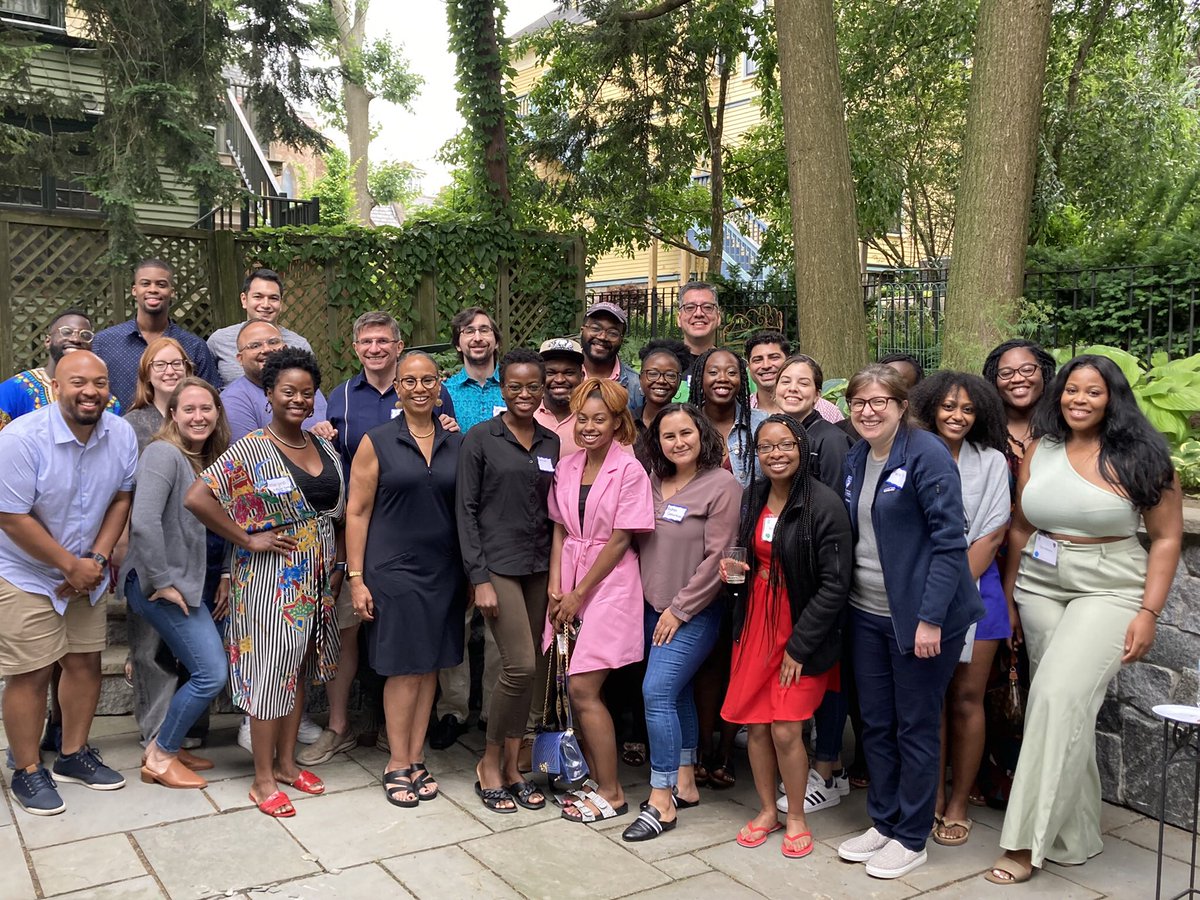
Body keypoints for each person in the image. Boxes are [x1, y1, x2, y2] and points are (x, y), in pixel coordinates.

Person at [987, 355, 1182, 885]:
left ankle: (1026, 842)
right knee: (1064, 712)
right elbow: (1022, 527)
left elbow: (1166, 538)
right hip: (1039, 584)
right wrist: (1009, 596)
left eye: (1092, 392)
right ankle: (1076, 835)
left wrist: (1149, 611)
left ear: (1112, 398)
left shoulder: (1143, 458)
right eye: (1071, 390)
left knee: (1053, 699)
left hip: (1111, 586)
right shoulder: (1040, 449)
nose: (1078, 399)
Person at [836, 364, 984, 880]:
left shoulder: (927, 455)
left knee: (914, 726)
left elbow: (950, 543)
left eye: (880, 401)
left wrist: (929, 620)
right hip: (866, 612)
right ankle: (884, 820)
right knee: (875, 723)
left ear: (902, 407)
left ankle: (912, 835)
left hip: (922, 620)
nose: (868, 410)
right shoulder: (857, 456)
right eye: (859, 402)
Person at [185, 348, 345, 819]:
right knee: (268, 678)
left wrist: (335, 570)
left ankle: (287, 764)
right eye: (288, 391)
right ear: (269, 394)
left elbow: (334, 513)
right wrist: (246, 539)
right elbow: (198, 497)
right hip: (268, 583)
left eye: (306, 392)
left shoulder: (323, 446)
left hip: (314, 580)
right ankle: (261, 779)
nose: (298, 399)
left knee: (294, 676)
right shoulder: (252, 447)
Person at [303, 312, 456, 766]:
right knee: (350, 632)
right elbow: (334, 472)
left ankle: (401, 738)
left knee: (417, 654)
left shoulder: (433, 395)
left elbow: (442, 457)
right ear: (355, 348)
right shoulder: (341, 397)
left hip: (426, 542)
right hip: (363, 533)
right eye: (366, 341)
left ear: (398, 345)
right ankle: (340, 726)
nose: (375, 348)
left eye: (383, 341)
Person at [0, 351, 137, 815]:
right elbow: (10, 516)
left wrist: (95, 559)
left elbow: (122, 497)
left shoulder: (120, 434)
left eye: (100, 382)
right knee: (31, 670)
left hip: (87, 567)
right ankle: (27, 770)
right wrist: (66, 565)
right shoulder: (21, 439)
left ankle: (74, 754)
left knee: (84, 664)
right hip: (26, 571)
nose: (90, 391)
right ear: (56, 387)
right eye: (78, 382)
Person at [719, 415, 852, 858]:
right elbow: (749, 556)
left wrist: (800, 645)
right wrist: (733, 573)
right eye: (766, 447)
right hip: (756, 618)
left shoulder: (824, 504)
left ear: (802, 449)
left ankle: (795, 815)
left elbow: (835, 584)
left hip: (799, 627)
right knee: (756, 726)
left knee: (786, 729)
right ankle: (765, 810)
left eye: (785, 445)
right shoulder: (755, 495)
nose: (776, 454)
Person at [345, 351, 466, 807]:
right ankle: (396, 761)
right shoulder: (376, 442)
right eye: (409, 381)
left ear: (440, 388)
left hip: (445, 570)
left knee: (431, 663)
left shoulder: (458, 442)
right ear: (397, 388)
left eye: (428, 380)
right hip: (393, 570)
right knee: (403, 668)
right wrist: (356, 577)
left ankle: (416, 757)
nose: (419, 388)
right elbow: (356, 512)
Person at [621, 405, 740, 841]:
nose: (678, 442)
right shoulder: (652, 481)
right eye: (668, 436)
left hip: (694, 610)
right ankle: (685, 781)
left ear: (701, 433)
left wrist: (680, 609)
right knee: (679, 691)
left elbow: (720, 557)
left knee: (655, 692)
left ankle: (661, 797)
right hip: (651, 606)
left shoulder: (722, 485)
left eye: (686, 433)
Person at [908, 371, 1011, 847]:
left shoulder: (992, 463)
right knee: (931, 700)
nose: (958, 416)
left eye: (968, 409)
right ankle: (928, 797)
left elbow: (991, 534)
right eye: (949, 406)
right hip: (918, 590)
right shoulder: (911, 454)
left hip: (975, 592)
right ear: (931, 407)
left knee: (967, 699)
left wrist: (946, 591)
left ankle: (957, 801)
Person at [457, 348, 559, 814]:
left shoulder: (550, 442)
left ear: (542, 390)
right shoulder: (481, 438)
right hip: (496, 566)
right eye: (514, 386)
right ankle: (489, 762)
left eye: (531, 386)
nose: (523, 393)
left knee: (534, 667)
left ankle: (516, 767)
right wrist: (478, 578)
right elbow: (467, 511)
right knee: (518, 665)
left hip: (538, 566)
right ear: (503, 389)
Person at [549, 378, 654, 823]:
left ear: (618, 423)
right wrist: (557, 590)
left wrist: (578, 594)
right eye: (583, 419)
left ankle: (613, 793)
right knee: (572, 687)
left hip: (609, 583)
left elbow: (618, 541)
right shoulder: (568, 466)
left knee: (583, 687)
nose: (589, 427)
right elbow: (558, 529)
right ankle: (593, 777)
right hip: (570, 576)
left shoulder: (629, 470)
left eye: (600, 420)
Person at [119, 378, 231, 789]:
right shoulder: (163, 454)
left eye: (207, 408)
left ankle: (172, 743)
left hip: (191, 582)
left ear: (217, 413)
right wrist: (162, 583)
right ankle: (161, 757)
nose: (199, 417)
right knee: (211, 672)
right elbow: (144, 522)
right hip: (158, 584)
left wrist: (223, 575)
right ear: (173, 414)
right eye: (189, 409)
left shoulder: (205, 459)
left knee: (193, 666)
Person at [773, 354, 859, 815]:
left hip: (819, 570)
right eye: (786, 380)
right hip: (786, 572)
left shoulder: (828, 438)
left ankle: (827, 768)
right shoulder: (779, 432)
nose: (792, 387)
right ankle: (816, 763)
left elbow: (830, 512)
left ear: (818, 391)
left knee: (826, 669)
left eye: (803, 382)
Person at [91, 259, 220, 408]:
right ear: (134, 290)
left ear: (172, 292)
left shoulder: (194, 346)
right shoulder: (104, 343)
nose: (153, 289)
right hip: (118, 429)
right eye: (145, 284)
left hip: (177, 430)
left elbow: (209, 400)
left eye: (161, 284)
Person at [0, 309, 119, 429]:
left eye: (85, 335)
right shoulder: (14, 389)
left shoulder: (106, 401)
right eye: (66, 332)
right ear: (47, 341)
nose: (76, 339)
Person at [221, 320, 329, 441]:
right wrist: (311, 439)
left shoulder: (305, 383)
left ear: (285, 348)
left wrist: (327, 432)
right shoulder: (234, 400)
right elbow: (247, 455)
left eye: (273, 342)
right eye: (255, 345)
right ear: (240, 359)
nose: (267, 349)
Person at [207, 269, 314, 385]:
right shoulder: (219, 341)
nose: (265, 305)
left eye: (273, 298)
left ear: (281, 304)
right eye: (258, 297)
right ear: (244, 299)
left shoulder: (300, 345)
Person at [688, 348, 766, 488]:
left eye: (731, 373)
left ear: (741, 379)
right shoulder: (685, 424)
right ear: (700, 378)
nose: (723, 378)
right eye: (713, 372)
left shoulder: (762, 423)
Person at [982, 339, 1058, 478]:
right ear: (994, 380)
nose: (1017, 379)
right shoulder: (981, 430)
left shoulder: (1062, 426)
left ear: (1044, 373)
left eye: (1027, 370)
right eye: (1006, 373)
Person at [747, 331, 845, 423]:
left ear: (789, 361)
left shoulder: (827, 411)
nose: (766, 365)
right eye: (757, 360)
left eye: (774, 357)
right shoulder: (742, 411)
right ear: (749, 366)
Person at [123, 338, 193, 452]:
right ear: (147, 374)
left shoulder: (202, 416)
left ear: (186, 370)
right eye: (160, 365)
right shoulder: (132, 424)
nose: (170, 371)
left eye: (176, 363)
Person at [443, 307, 504, 433]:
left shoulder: (514, 387)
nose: (477, 338)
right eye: (469, 331)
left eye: (484, 330)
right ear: (457, 345)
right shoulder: (445, 392)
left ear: (497, 341)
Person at [580, 301, 643, 409]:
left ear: (621, 339)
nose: (602, 337)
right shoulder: (564, 377)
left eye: (612, 333)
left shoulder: (636, 386)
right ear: (582, 330)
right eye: (596, 329)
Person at [534, 338, 586, 455]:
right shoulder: (526, 416)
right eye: (550, 373)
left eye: (569, 373)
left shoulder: (596, 419)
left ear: (582, 377)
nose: (559, 379)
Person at [634, 339, 689, 435]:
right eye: (653, 374)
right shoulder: (627, 421)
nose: (661, 381)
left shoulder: (688, 423)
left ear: (679, 382)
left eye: (670, 375)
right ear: (640, 379)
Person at [676, 282, 721, 375]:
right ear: (679, 319)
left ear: (718, 317)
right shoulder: (663, 365)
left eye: (707, 307)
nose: (699, 313)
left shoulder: (735, 367)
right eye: (690, 308)